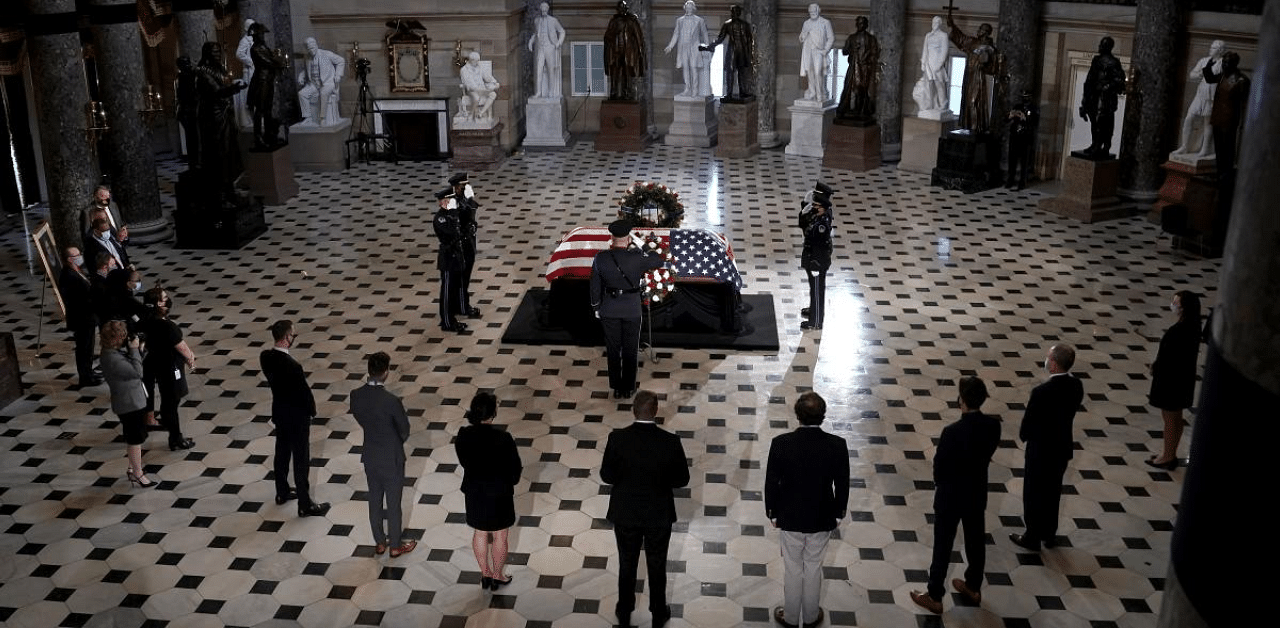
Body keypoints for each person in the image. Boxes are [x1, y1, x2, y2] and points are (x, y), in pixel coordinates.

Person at [910, 376, 1001, 615]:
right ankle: (973, 587)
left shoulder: (952, 432)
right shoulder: (993, 426)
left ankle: (935, 596)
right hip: (976, 493)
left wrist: (942, 484)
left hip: (950, 496)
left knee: (943, 546)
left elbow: (940, 467)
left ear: (962, 400)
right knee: (975, 542)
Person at [601, 390, 690, 628]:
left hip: (626, 512)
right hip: (658, 514)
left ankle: (625, 610)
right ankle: (658, 612)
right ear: (656, 411)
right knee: (657, 563)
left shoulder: (617, 438)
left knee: (627, 562)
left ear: (633, 410)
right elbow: (682, 479)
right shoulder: (670, 442)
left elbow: (606, 475)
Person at [765, 392, 849, 628]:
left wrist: (772, 512)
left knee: (792, 567)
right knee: (813, 567)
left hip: (789, 517)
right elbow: (842, 483)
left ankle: (791, 617)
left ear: (797, 415)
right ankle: (811, 616)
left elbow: (772, 481)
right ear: (822, 416)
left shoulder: (781, 443)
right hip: (821, 517)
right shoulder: (837, 445)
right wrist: (838, 513)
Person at [1010, 344, 1084, 552]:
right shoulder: (1077, 385)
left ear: (1053, 364)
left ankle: (1032, 536)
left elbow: (1028, 424)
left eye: (1047, 358)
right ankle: (1049, 533)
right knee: (1053, 492)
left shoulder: (1041, 392)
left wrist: (1025, 436)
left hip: (1040, 450)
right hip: (1061, 448)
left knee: (1033, 493)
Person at [260, 320, 331, 516]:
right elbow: (303, 393)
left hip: (280, 413)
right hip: (297, 417)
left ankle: (281, 492)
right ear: (286, 338)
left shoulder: (265, 357)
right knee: (301, 460)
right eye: (293, 335)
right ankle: (304, 504)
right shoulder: (293, 366)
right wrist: (312, 410)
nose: (294, 338)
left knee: (281, 452)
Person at [350, 351, 415, 557]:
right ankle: (395, 546)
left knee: (374, 500)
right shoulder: (391, 401)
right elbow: (404, 429)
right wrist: (394, 440)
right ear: (386, 372)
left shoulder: (355, 395)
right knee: (394, 504)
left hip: (370, 455)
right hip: (392, 458)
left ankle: (379, 542)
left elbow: (361, 419)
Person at [589, 220, 664, 399]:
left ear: (611, 238)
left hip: (609, 309)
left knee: (613, 349)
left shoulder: (601, 258)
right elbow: (659, 261)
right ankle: (628, 387)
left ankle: (616, 388)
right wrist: (644, 245)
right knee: (630, 349)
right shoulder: (636, 257)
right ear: (628, 239)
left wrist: (596, 307)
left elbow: (595, 286)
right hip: (631, 309)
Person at [456, 392, 523, 590]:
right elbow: (515, 469)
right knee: (501, 535)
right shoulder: (503, 438)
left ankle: (485, 574)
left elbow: (464, 461)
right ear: (493, 413)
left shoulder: (464, 435)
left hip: (475, 492)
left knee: (480, 533)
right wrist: (509, 481)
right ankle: (497, 575)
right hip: (499, 493)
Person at [1146, 291, 1202, 470]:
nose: (1173, 305)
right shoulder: (1192, 326)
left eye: (1176, 303)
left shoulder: (1182, 330)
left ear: (1185, 308)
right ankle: (1169, 453)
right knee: (1175, 418)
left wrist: (1157, 367)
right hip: (1180, 380)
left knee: (1170, 419)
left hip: (1172, 381)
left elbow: (1172, 357)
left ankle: (1167, 457)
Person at [100, 320, 156, 488]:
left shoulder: (113, 352)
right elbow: (137, 372)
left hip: (132, 401)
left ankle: (132, 468)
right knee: (135, 439)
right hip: (129, 404)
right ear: (117, 337)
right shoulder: (111, 357)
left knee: (134, 437)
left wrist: (139, 350)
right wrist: (133, 349)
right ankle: (138, 473)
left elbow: (134, 363)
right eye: (123, 335)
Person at [140, 287, 196, 452]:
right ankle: (176, 438)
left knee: (168, 402)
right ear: (158, 303)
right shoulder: (167, 326)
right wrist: (190, 359)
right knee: (172, 402)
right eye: (165, 298)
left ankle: (174, 435)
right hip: (171, 368)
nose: (168, 299)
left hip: (157, 365)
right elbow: (182, 348)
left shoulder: (147, 320)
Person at [195, 41, 247, 200]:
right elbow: (217, 92)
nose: (217, 55)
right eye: (214, 52)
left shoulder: (219, 69)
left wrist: (232, 87)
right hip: (214, 117)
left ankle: (230, 187)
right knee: (219, 152)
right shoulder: (203, 72)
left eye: (219, 51)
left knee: (230, 150)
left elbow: (225, 84)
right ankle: (221, 192)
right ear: (207, 54)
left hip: (225, 115)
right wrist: (234, 89)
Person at [947, 15, 1000, 134]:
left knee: (974, 101)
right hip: (968, 76)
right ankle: (968, 126)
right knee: (967, 100)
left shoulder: (990, 48)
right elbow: (961, 39)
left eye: (981, 29)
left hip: (978, 77)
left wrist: (985, 62)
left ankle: (977, 126)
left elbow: (993, 67)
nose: (978, 31)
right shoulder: (973, 42)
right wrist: (953, 25)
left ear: (986, 33)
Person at [1173, 40, 1226, 157]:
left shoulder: (1223, 63)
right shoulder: (1204, 61)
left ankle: (1205, 149)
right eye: (1211, 47)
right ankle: (1185, 146)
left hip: (1212, 97)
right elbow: (1192, 74)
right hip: (1200, 94)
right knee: (1189, 118)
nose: (1210, 49)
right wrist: (1199, 74)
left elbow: (1219, 79)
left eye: (1213, 48)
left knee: (1208, 123)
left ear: (1220, 51)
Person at [1202, 51, 1250, 176]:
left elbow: (1246, 103)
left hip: (1230, 120)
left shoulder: (1242, 80)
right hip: (1218, 117)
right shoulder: (1223, 76)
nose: (1224, 65)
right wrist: (1208, 66)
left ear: (1234, 64)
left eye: (1227, 63)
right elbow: (1209, 78)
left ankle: (1226, 174)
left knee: (1227, 150)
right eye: (1223, 62)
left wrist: (1243, 123)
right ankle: (1220, 172)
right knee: (1219, 149)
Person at [1078, 36, 1125, 159]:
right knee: (1094, 121)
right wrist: (1085, 98)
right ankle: (1094, 144)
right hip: (1095, 95)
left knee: (1102, 122)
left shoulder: (1114, 62)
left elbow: (1119, 80)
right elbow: (1090, 77)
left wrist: (1107, 86)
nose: (1099, 47)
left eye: (1102, 45)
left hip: (1105, 98)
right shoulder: (1096, 60)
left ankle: (1103, 146)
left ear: (1107, 47)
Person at [59, 247, 99, 387]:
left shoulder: (76, 270)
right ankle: (85, 377)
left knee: (89, 347)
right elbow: (76, 299)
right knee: (83, 348)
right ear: (70, 259)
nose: (80, 256)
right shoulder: (68, 275)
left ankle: (89, 372)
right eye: (77, 255)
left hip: (88, 316)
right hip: (81, 318)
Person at [700, 4, 755, 102]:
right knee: (730, 72)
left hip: (742, 51)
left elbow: (750, 40)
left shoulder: (745, 25)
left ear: (739, 13)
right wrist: (709, 47)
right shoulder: (727, 24)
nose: (734, 13)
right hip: (732, 50)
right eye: (733, 11)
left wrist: (750, 55)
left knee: (742, 72)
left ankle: (743, 92)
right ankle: (729, 94)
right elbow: (720, 38)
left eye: (736, 11)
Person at [433, 189, 468, 333]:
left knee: (455, 289)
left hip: (457, 255)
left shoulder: (451, 214)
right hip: (448, 258)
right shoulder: (440, 218)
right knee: (447, 291)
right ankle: (446, 321)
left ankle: (452, 317)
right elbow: (451, 233)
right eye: (449, 200)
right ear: (444, 201)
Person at [247, 22, 286, 149]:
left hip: (268, 80)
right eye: (261, 34)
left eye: (263, 33)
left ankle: (269, 134)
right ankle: (258, 136)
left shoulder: (264, 47)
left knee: (268, 108)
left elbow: (273, 59)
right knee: (260, 109)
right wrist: (279, 63)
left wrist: (278, 61)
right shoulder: (255, 49)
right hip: (261, 81)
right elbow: (268, 62)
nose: (263, 36)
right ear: (256, 35)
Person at [798, 188, 832, 331]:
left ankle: (816, 322)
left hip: (816, 261)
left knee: (817, 290)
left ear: (822, 208)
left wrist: (814, 264)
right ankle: (814, 311)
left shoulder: (821, 224)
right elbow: (803, 225)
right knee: (814, 289)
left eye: (815, 206)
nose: (813, 208)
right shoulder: (818, 218)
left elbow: (815, 241)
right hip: (813, 258)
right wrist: (804, 211)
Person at [449, 173, 481, 319]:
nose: (466, 187)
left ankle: (459, 304)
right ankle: (462, 306)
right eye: (463, 185)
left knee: (465, 276)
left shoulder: (462, 199)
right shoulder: (453, 202)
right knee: (462, 276)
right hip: (461, 243)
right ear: (456, 187)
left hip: (468, 241)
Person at [837, 16, 879, 121]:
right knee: (849, 88)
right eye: (859, 23)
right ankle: (847, 109)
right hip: (853, 67)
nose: (861, 25)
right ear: (856, 25)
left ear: (866, 25)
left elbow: (875, 53)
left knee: (863, 90)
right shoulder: (851, 38)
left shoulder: (871, 39)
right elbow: (844, 51)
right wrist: (852, 49)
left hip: (865, 68)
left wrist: (868, 60)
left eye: (863, 23)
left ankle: (862, 111)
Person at [297, 37, 346, 126]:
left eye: (312, 48)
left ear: (316, 46)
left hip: (327, 83)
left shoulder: (327, 54)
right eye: (309, 49)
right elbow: (307, 69)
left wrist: (338, 75)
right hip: (313, 84)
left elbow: (341, 61)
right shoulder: (307, 57)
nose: (311, 51)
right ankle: (308, 118)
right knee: (302, 94)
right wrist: (301, 75)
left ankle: (323, 118)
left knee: (323, 93)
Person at [664, 1, 709, 98]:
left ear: (693, 8)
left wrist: (707, 46)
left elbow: (704, 33)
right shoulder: (680, 20)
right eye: (687, 7)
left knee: (693, 67)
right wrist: (670, 46)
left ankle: (695, 90)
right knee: (685, 68)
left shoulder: (699, 20)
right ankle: (687, 89)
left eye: (690, 7)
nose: (689, 9)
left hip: (694, 46)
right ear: (685, 8)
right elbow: (676, 34)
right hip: (683, 47)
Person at [604, 1, 646, 101]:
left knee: (627, 72)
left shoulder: (631, 21)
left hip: (628, 51)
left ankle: (627, 92)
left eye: (623, 8)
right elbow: (607, 36)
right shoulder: (613, 21)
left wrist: (640, 51)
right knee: (615, 72)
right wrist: (614, 32)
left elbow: (638, 36)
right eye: (620, 8)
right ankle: (614, 92)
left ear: (626, 9)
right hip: (615, 50)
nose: (621, 10)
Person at [528, 2, 566, 99]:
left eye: (545, 9)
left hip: (550, 47)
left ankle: (551, 91)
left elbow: (562, 31)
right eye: (542, 9)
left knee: (551, 69)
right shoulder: (537, 20)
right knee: (538, 70)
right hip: (540, 48)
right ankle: (538, 92)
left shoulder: (553, 20)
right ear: (540, 10)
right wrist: (531, 42)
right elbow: (536, 34)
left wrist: (558, 43)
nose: (544, 11)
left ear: (547, 10)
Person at [798, 4, 834, 102]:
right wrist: (802, 36)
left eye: (814, 12)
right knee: (810, 72)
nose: (812, 14)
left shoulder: (825, 22)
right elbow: (801, 36)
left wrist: (825, 50)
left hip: (819, 51)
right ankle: (812, 91)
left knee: (818, 72)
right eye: (811, 13)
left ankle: (820, 93)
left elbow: (831, 38)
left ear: (818, 11)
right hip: (808, 50)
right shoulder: (806, 23)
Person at [1006, 89, 1038, 190]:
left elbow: (1035, 123)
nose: (1024, 99)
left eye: (1026, 97)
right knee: (1012, 160)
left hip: (1025, 138)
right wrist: (1010, 116)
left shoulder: (1034, 109)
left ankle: (1022, 182)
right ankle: (1010, 180)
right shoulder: (1017, 107)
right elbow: (1007, 119)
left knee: (1024, 161)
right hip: (1015, 136)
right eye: (1023, 97)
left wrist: (1025, 119)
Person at [918, 16, 950, 114]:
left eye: (936, 22)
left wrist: (939, 64)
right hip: (928, 63)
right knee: (929, 84)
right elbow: (925, 49)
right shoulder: (928, 35)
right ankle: (933, 104)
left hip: (937, 63)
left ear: (939, 24)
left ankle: (943, 103)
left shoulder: (943, 35)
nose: (934, 24)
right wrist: (923, 63)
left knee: (939, 83)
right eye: (933, 22)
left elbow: (944, 51)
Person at [457, 51, 500, 122]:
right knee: (476, 98)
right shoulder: (464, 70)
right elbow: (468, 83)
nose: (478, 62)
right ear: (472, 60)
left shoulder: (480, 67)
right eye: (476, 61)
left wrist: (494, 82)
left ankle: (481, 113)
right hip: (472, 90)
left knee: (493, 94)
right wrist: (479, 88)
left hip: (482, 89)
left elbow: (487, 77)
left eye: (478, 61)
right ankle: (471, 115)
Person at [234, 18, 255, 128]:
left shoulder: (254, 39)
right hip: (249, 71)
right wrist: (251, 62)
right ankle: (249, 119)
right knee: (250, 96)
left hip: (255, 70)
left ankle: (256, 118)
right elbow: (239, 54)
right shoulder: (245, 40)